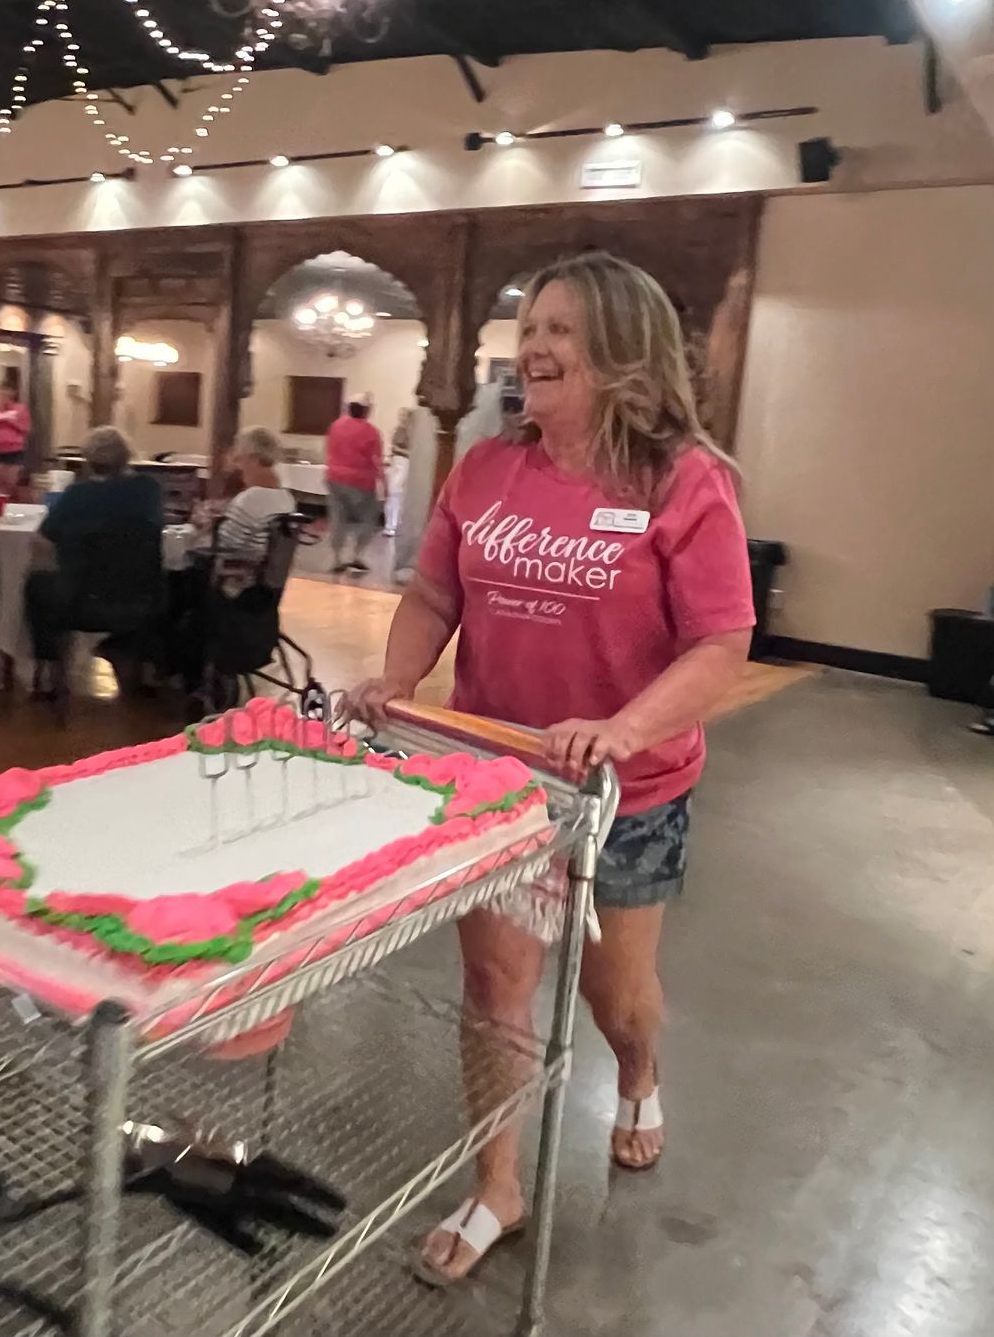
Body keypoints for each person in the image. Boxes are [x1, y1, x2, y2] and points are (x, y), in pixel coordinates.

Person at [349, 250, 755, 1285]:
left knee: (616, 997)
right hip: (498, 780)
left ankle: (640, 1071)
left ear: (625, 350)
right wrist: (397, 680)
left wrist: (622, 727)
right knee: (495, 984)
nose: (533, 347)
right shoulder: (486, 468)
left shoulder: (684, 480)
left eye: (562, 329)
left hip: (627, 794)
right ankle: (498, 1185)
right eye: (529, 327)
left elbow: (720, 642)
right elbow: (437, 595)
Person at [24, 425, 164, 693]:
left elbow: (43, 540)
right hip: (140, 602)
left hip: (81, 604)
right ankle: (147, 666)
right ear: (126, 456)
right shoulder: (149, 490)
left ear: (88, 460)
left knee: (36, 585)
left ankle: (48, 670)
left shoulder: (77, 495)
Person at [211, 426, 298, 563]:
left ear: (253, 459)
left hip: (237, 576)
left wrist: (202, 526)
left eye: (238, 459)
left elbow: (224, 545)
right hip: (268, 574)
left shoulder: (250, 498)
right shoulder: (287, 498)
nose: (237, 466)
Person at [324, 398, 386, 574]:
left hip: (335, 478)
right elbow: (376, 460)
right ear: (365, 411)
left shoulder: (335, 426)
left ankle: (336, 558)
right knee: (368, 518)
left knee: (337, 518)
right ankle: (356, 555)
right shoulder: (371, 431)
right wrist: (384, 482)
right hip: (361, 481)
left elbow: (328, 449)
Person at [0, 378, 31, 496]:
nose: (4, 393)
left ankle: (10, 505)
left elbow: (26, 428)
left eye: (8, 390)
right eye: (2, 390)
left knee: (11, 482)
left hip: (14, 450)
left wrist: (11, 421)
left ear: (13, 393)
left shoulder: (21, 409)